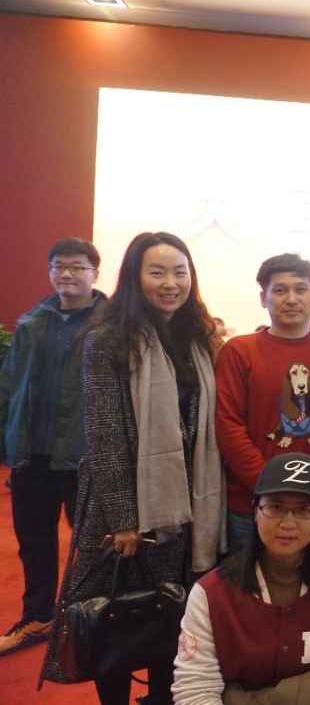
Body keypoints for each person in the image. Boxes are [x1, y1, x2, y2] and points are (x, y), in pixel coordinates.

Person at [41, 232, 225, 704]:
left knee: (172, 618)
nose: (170, 283)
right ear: (133, 277)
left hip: (184, 506)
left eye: (180, 272)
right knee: (114, 620)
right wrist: (124, 519)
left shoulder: (199, 338)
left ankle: (162, 698)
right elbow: (104, 436)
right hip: (123, 507)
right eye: (156, 272)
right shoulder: (107, 338)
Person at [172, 453, 310, 704]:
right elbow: (194, 693)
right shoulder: (210, 594)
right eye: (275, 507)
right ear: (255, 511)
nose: (288, 523)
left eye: (305, 509)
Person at [0, 238, 107, 657]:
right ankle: (37, 616)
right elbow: (9, 385)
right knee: (34, 542)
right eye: (59, 266)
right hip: (32, 454)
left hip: (83, 456)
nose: (67, 274)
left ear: (95, 273)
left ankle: (91, 622)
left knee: (92, 547)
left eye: (77, 266)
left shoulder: (111, 325)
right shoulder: (32, 323)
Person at [215, 253, 310, 555]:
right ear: (264, 297)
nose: (292, 299)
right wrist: (269, 485)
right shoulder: (238, 351)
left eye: (301, 289)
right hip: (250, 499)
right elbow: (228, 426)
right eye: (280, 290)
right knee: (248, 580)